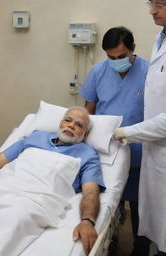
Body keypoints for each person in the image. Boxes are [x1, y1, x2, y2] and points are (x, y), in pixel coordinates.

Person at [0, 106, 105, 255]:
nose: (71, 125)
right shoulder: (36, 137)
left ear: (86, 134)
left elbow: (91, 191)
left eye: (79, 125)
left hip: (34, 199)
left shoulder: (88, 155)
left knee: (11, 220)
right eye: (67, 120)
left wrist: (87, 220)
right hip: (0, 187)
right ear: (60, 123)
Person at [79, 26, 150, 256]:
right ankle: (110, 239)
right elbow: (88, 109)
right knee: (110, 200)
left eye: (122, 57)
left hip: (139, 148)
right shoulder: (99, 71)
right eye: (111, 57)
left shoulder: (149, 71)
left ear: (133, 49)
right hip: (107, 148)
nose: (116, 61)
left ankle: (140, 245)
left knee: (140, 203)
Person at [114, 1, 166, 256]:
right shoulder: (161, 37)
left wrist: (126, 132)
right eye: (151, 3)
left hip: (158, 141)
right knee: (156, 214)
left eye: (160, 4)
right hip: (154, 147)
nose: (152, 10)